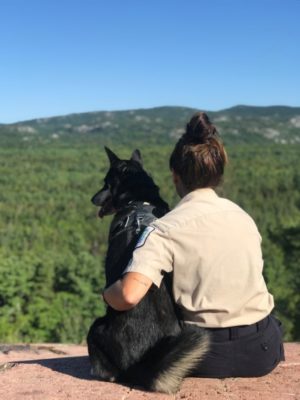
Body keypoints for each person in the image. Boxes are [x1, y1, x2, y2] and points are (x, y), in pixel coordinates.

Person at [103, 111, 285, 378]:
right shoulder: (244, 218)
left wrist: (107, 293)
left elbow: (129, 295)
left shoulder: (164, 229)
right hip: (263, 349)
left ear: (175, 175)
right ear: (218, 174)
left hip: (203, 354)